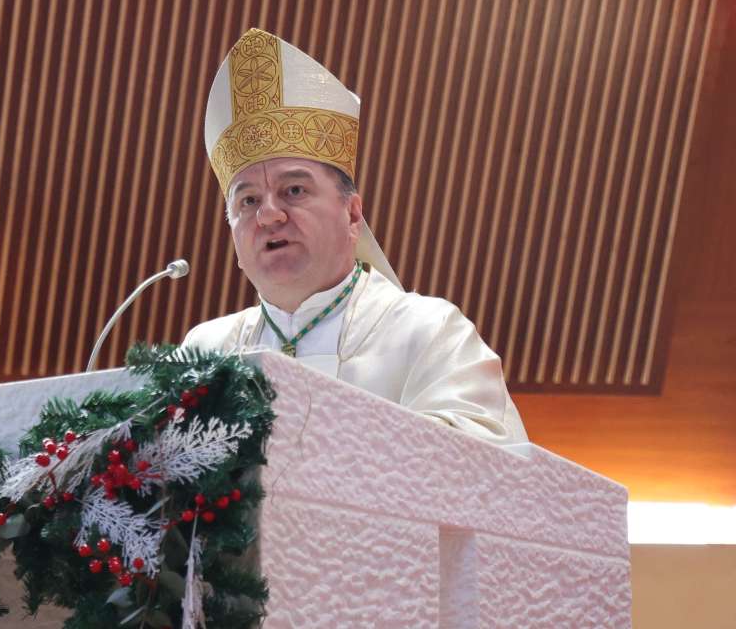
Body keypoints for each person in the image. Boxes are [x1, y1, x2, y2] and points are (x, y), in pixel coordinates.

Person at [183, 28, 528, 446]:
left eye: (295, 190)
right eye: (248, 200)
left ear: (352, 215)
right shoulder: (204, 351)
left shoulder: (428, 332)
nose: (269, 214)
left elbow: (488, 459)